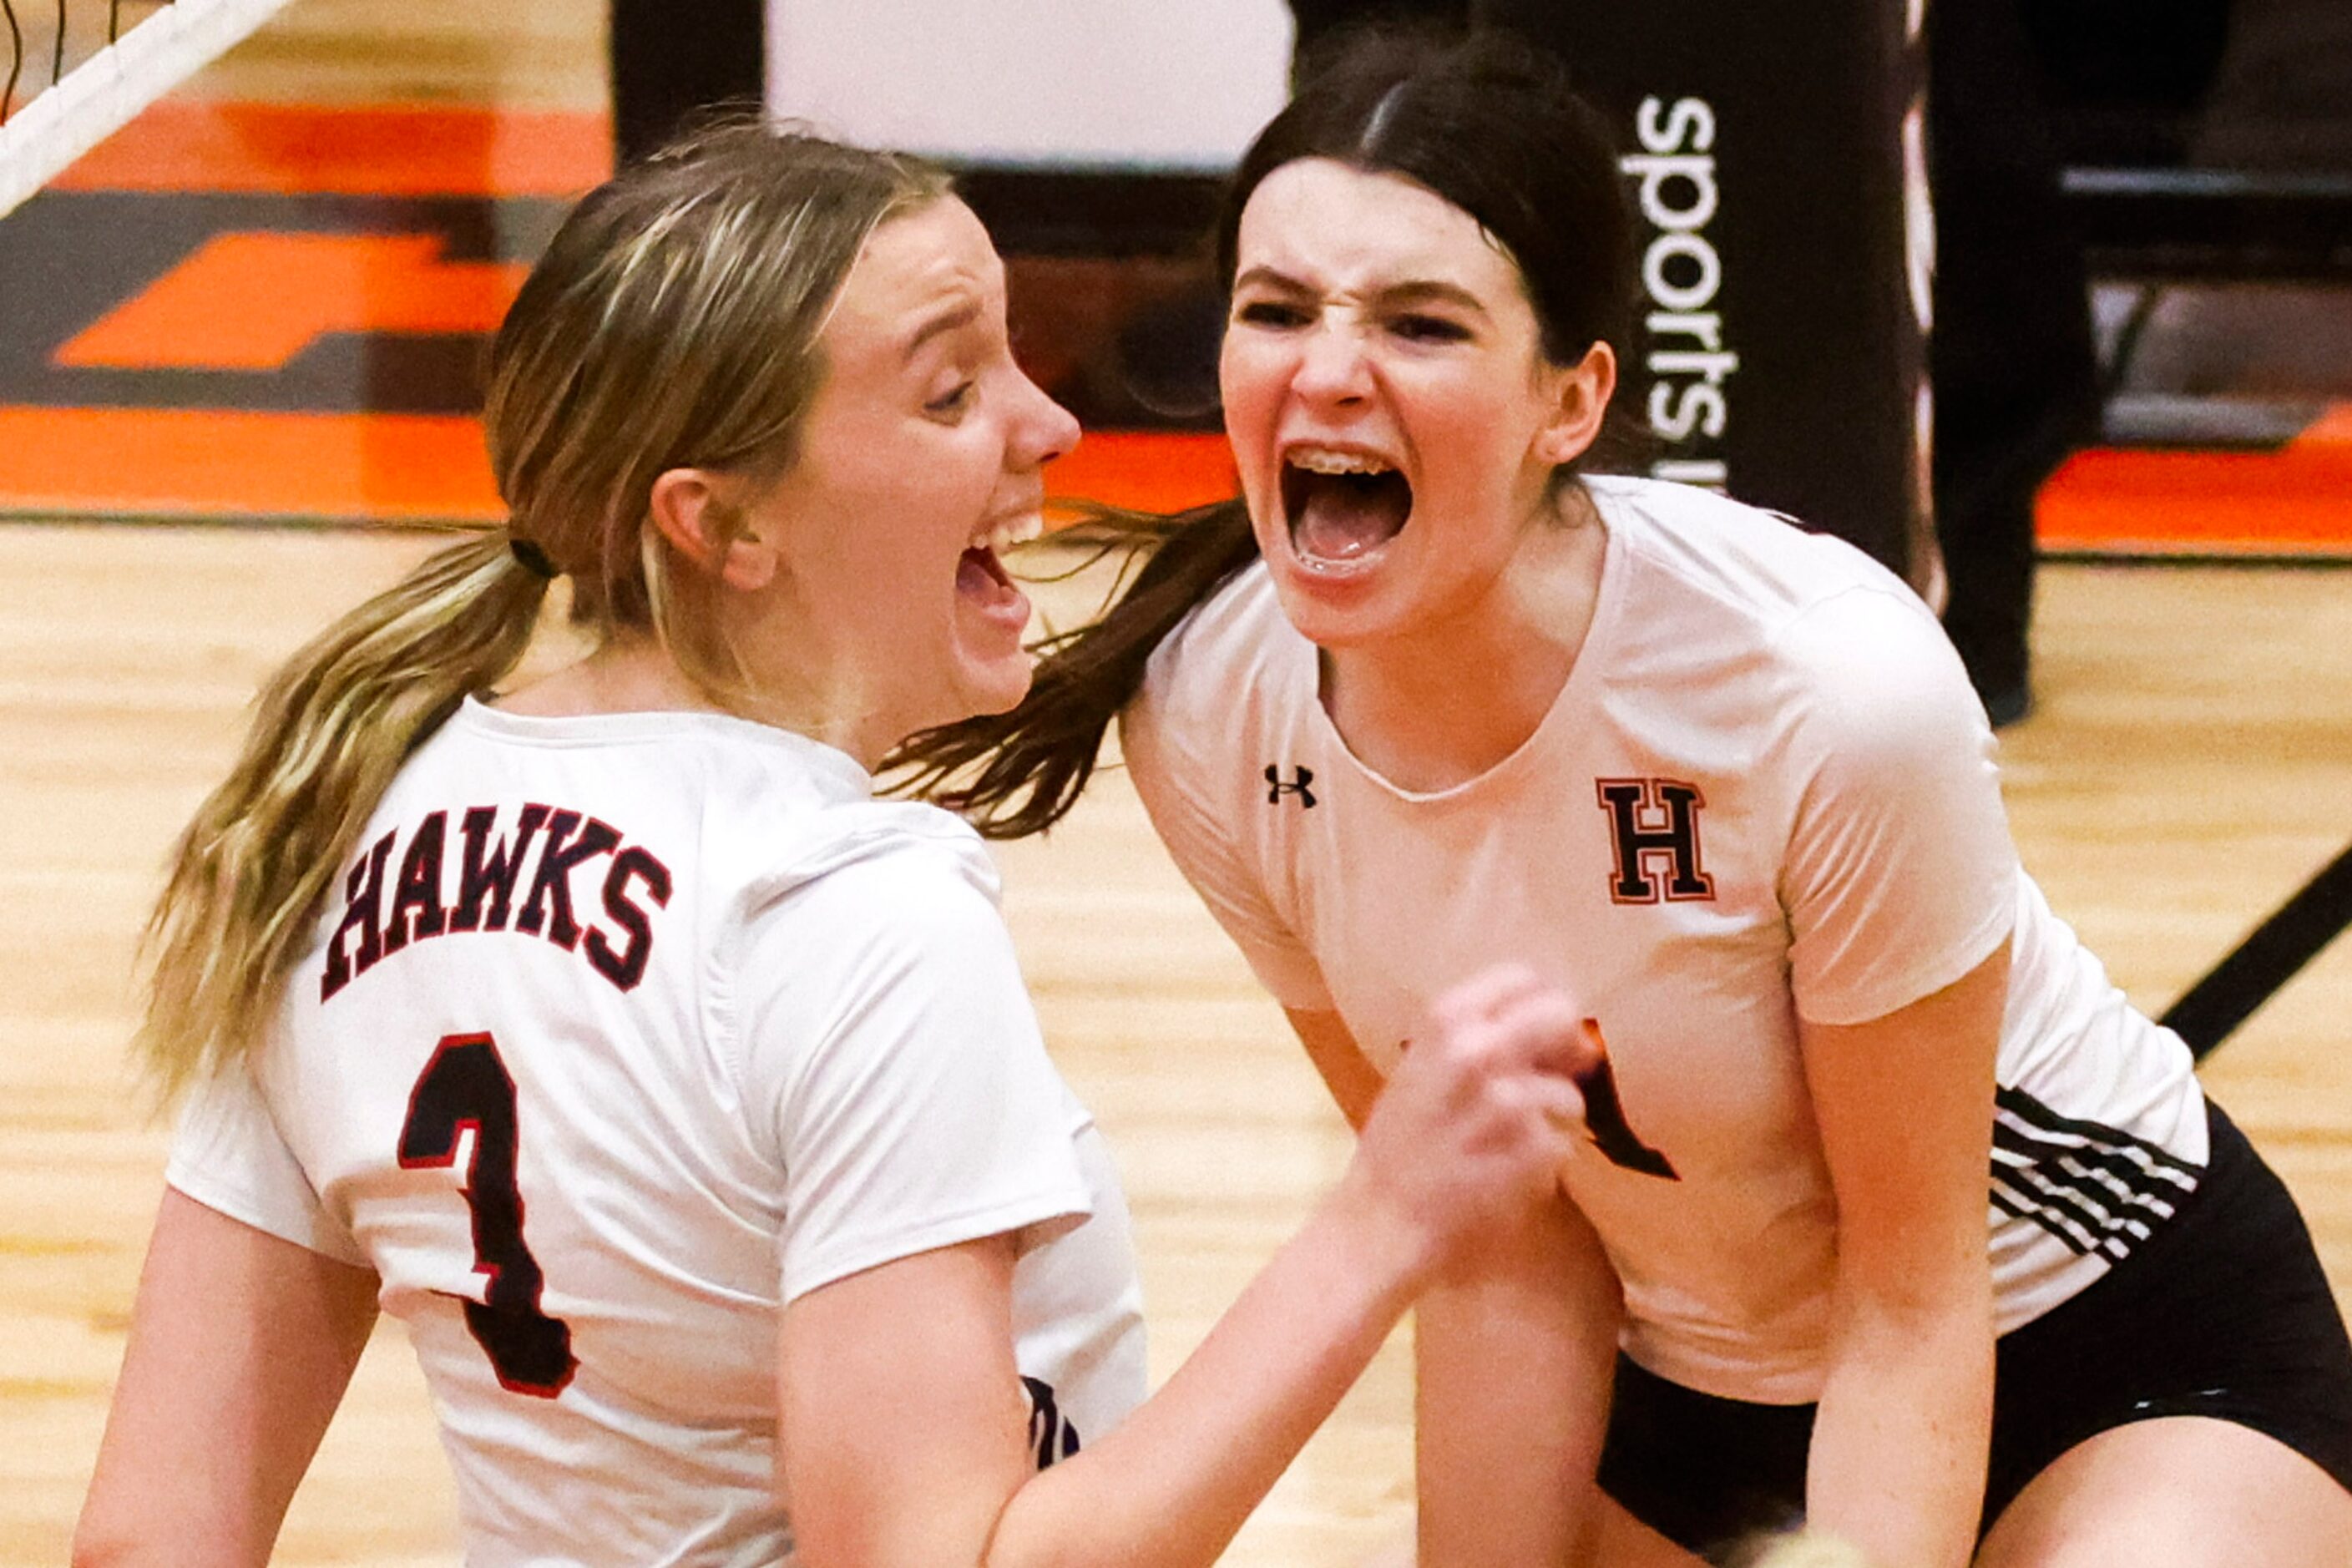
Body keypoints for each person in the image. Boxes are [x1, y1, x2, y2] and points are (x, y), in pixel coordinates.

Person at [893, 32, 2352, 1568]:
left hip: (2091, 1344)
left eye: (1420, 322)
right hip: (1686, 1393)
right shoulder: (1208, 708)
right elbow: (1512, 1244)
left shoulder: (1816, 686)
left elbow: (1912, 1295)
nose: (1327, 368)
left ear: (1569, 400)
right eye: (1276, 310)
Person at [68, 123, 1603, 1568]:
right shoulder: (846, 912)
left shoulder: (339, 822)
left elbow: (149, 1536)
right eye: (949, 395)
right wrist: (1379, 1226)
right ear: (722, 526)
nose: (1047, 422)